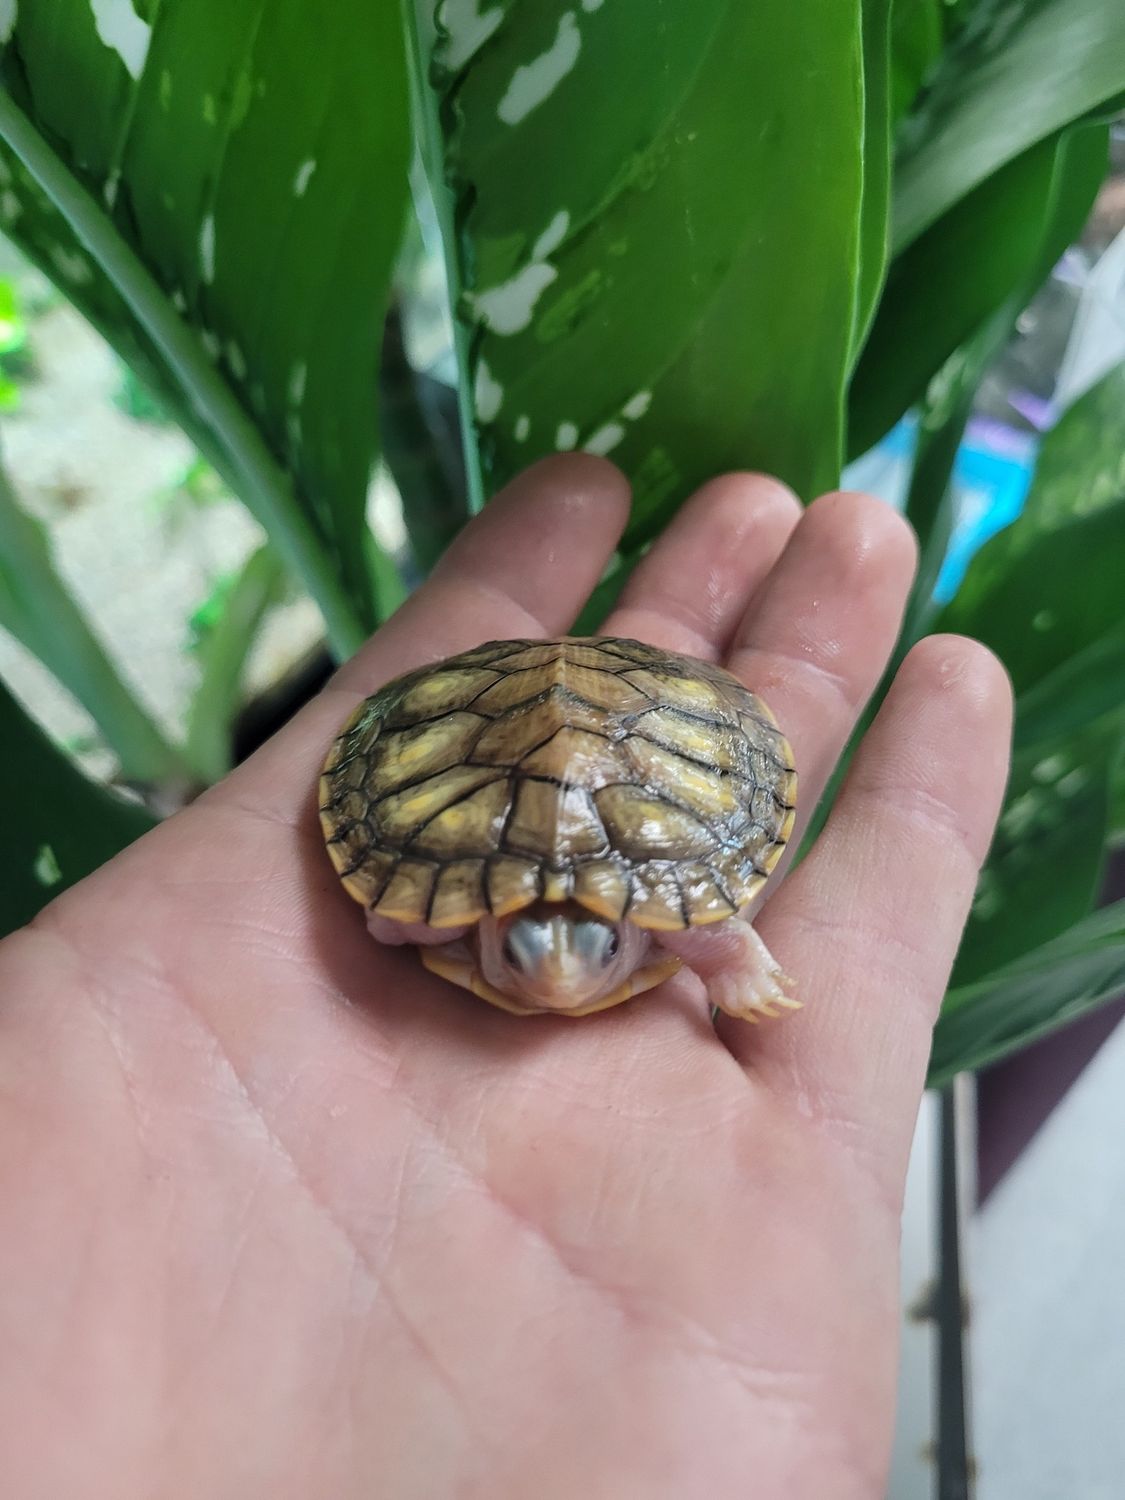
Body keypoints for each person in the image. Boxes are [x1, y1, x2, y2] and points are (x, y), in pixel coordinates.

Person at [0, 457, 1011, 1497]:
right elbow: (406, 920)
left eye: (602, 954)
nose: (562, 980)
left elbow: (706, 927)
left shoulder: (636, 919)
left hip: (609, 738)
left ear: (630, 940)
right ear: (489, 938)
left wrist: (734, 962)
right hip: (525, 741)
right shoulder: (454, 919)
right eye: (529, 953)